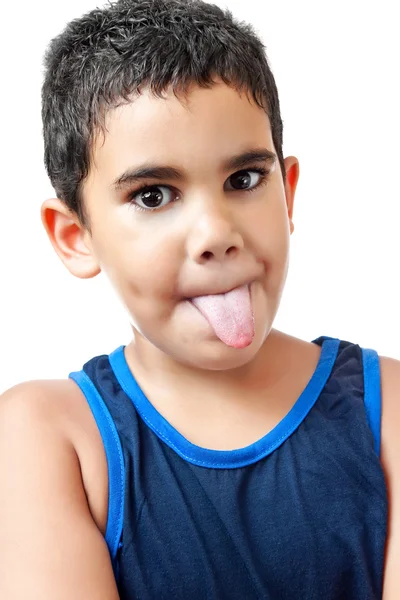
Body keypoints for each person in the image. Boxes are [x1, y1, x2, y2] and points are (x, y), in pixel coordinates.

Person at [0, 0, 399, 598]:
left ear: (287, 195)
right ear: (75, 236)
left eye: (243, 180)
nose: (216, 234)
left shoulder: (387, 408)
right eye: (154, 195)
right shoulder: (51, 439)